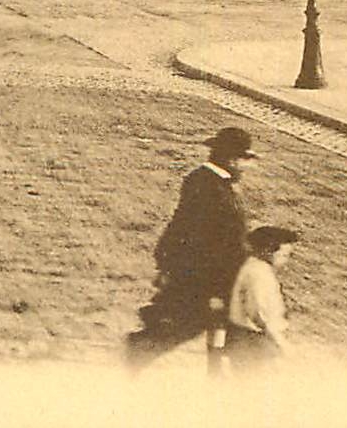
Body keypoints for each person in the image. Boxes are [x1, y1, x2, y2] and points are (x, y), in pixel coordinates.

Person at [126, 127, 256, 369]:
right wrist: (216, 283)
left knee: (215, 324)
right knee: (188, 323)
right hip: (202, 273)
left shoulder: (210, 181)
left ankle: (213, 372)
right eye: (245, 159)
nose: (247, 167)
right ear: (232, 159)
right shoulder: (211, 188)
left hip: (207, 271)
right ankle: (139, 350)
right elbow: (203, 237)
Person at [224, 225, 299, 371]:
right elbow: (259, 315)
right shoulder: (258, 274)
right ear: (268, 251)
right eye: (284, 255)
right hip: (253, 343)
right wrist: (282, 343)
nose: (287, 261)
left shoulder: (253, 267)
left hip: (246, 340)